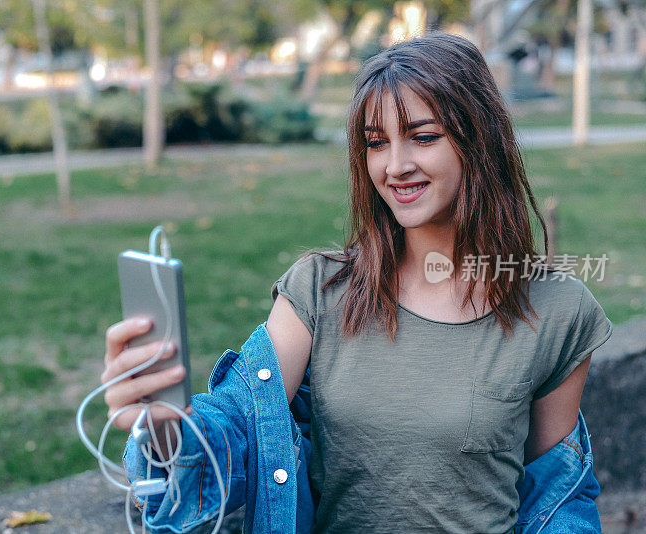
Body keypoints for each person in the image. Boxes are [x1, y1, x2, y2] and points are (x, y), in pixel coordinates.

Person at [102, 32, 612, 533]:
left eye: (423, 136)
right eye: (375, 143)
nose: (395, 166)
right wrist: (169, 429)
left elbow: (555, 496)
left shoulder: (558, 309)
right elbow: (239, 423)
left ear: (479, 140)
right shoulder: (318, 292)